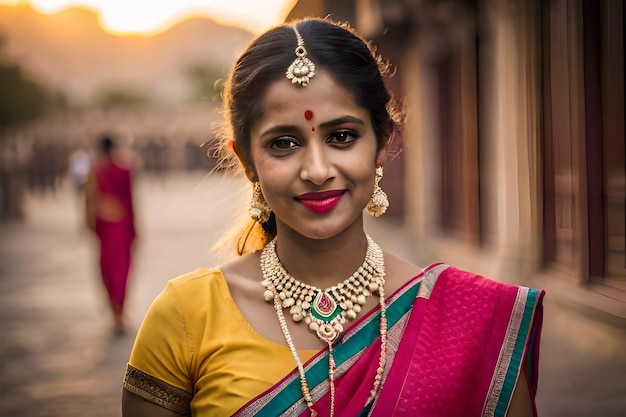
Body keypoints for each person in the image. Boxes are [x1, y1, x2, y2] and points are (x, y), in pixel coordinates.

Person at [121, 17, 544, 416]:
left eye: (342, 137)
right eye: (284, 143)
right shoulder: (186, 316)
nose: (318, 170)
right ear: (247, 161)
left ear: (381, 143)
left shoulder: (471, 322)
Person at [86, 134, 136, 334]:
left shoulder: (95, 172)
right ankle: (120, 312)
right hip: (122, 227)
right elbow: (131, 201)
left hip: (106, 229)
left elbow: (90, 204)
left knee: (107, 269)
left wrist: (90, 226)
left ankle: (114, 312)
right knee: (121, 271)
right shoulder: (124, 170)